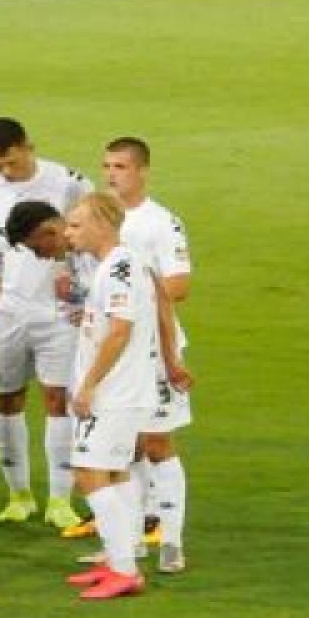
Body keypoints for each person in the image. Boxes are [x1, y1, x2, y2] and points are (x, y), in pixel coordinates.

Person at [0, 118, 93, 532]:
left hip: (59, 313)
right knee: (7, 400)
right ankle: (18, 495)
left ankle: (59, 499)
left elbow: (93, 229)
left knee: (59, 400)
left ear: (27, 147)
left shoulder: (68, 183)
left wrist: (77, 279)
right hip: (3, 313)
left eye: (11, 163)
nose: (4, 171)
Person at [61, 193, 162, 600]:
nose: (68, 233)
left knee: (88, 471)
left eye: (76, 225)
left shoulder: (120, 267)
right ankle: (122, 554)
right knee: (115, 471)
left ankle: (125, 570)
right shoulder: (112, 265)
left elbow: (120, 330)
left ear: (102, 225)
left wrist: (89, 385)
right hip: (120, 390)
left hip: (114, 392)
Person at [104, 136, 195, 573]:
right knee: (123, 445)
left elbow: (180, 284)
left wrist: (132, 293)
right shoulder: (98, 218)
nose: (111, 175)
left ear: (142, 171)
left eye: (120, 167)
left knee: (157, 442)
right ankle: (132, 540)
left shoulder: (160, 222)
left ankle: (172, 542)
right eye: (107, 166)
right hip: (112, 346)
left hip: (155, 346)